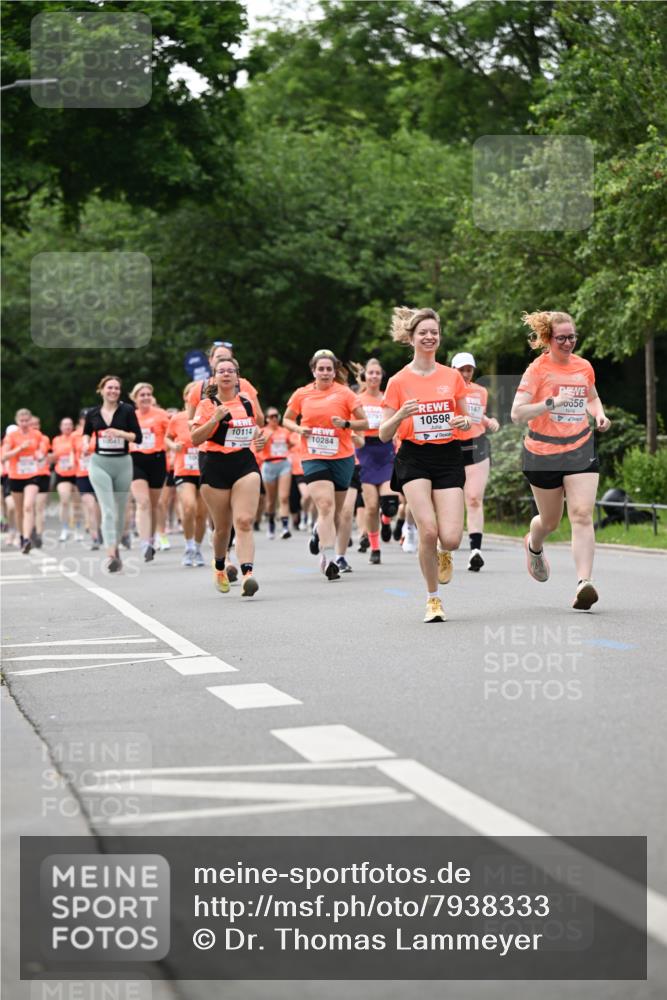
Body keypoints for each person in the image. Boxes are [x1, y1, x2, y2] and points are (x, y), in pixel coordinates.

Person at [511, 310, 611, 610]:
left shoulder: (583, 366)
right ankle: (534, 543)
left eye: (572, 337)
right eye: (562, 338)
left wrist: (599, 414)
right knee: (551, 521)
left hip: (580, 448)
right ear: (548, 339)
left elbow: (591, 397)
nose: (568, 343)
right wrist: (551, 403)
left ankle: (584, 583)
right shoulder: (537, 370)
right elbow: (517, 413)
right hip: (542, 454)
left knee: (581, 514)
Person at [380, 307, 471, 622]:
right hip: (413, 456)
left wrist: (461, 420)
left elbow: (464, 419)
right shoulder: (398, 381)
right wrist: (400, 415)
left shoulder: (451, 376)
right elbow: (382, 433)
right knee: (428, 531)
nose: (430, 337)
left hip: (447, 455)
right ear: (411, 337)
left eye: (434, 332)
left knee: (451, 538)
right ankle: (433, 600)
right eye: (423, 332)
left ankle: (446, 555)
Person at [283, 349, 368, 581]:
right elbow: (287, 419)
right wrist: (300, 429)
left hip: (342, 457)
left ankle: (317, 532)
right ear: (313, 371)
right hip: (313, 455)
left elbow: (365, 421)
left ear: (334, 371)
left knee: (336, 514)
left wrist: (346, 423)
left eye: (329, 369)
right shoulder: (302, 394)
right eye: (320, 368)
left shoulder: (345, 393)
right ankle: (329, 559)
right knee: (326, 505)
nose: (325, 372)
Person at [191, 359, 263, 596]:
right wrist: (214, 418)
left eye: (230, 371)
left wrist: (258, 437)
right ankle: (220, 566)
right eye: (221, 371)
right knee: (222, 527)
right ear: (214, 377)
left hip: (244, 462)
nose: (226, 374)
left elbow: (251, 429)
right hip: (215, 465)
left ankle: (248, 575)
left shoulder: (246, 402)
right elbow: (195, 439)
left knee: (243, 521)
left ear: (237, 377)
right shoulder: (206, 404)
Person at [83, 375, 142, 573]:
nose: (113, 391)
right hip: (99, 463)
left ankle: (115, 546)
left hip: (123, 463)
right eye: (110, 388)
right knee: (107, 509)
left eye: (117, 388)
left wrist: (120, 433)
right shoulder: (93, 413)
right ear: (101, 390)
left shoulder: (127, 410)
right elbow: (86, 433)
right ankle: (110, 554)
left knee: (120, 509)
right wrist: (84, 445)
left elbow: (137, 437)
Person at [450, 352, 500, 572]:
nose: (466, 373)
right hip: (452, 448)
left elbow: (478, 415)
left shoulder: (481, 391)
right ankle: (447, 548)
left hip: (478, 445)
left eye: (469, 369)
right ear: (453, 370)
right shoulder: (446, 391)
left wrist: (490, 421)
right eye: (461, 369)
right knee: (452, 501)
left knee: (474, 498)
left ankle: (475, 551)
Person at [350, 359, 398, 565]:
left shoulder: (388, 398)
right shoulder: (357, 399)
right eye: (370, 373)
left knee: (390, 504)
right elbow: (352, 424)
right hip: (365, 450)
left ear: (382, 376)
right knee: (370, 507)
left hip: (385, 448)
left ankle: (386, 520)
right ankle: (375, 547)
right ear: (365, 376)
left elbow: (396, 421)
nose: (374, 376)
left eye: (377, 373)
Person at [165, 385, 207, 567]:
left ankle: (197, 549)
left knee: (201, 514)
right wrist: (173, 446)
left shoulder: (209, 415)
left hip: (206, 469)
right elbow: (167, 437)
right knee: (189, 508)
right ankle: (189, 546)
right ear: (186, 398)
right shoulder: (177, 419)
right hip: (184, 470)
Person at [128, 383, 170, 562]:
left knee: (153, 505)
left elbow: (172, 434)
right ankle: (144, 542)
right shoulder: (129, 416)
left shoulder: (161, 415)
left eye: (148, 394)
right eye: (141, 395)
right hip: (136, 460)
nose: (145, 397)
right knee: (143, 502)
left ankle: (151, 540)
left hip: (157, 460)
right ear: (135, 398)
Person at [1, 409, 46, 554]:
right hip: (15, 476)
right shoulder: (11, 436)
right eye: (22, 421)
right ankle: (22, 536)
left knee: (28, 506)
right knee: (19, 511)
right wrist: (20, 448)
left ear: (30, 421)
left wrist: (40, 454)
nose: (25, 423)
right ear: (17, 421)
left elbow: (41, 450)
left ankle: (27, 539)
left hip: (32, 475)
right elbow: (4, 456)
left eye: (27, 420)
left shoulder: (36, 434)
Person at [256, 408, 293, 539]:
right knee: (271, 500)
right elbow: (257, 447)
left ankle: (284, 528)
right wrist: (266, 438)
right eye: (271, 416)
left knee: (283, 497)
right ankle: (271, 524)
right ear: (266, 418)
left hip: (283, 464)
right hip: (268, 465)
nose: (275, 418)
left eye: (276, 416)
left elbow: (292, 443)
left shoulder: (284, 431)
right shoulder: (263, 431)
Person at [72, 409, 101, 550]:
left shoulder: (99, 432)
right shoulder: (75, 436)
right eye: (84, 418)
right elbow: (72, 452)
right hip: (82, 474)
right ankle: (95, 536)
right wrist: (73, 461)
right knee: (90, 505)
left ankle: (100, 529)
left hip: (99, 472)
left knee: (99, 506)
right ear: (80, 420)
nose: (87, 421)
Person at [50, 417, 78, 543]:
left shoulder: (77, 437)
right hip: (62, 473)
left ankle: (76, 529)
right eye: (65, 424)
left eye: (69, 424)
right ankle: (64, 529)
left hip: (77, 473)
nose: (67, 427)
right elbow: (54, 457)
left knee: (76, 503)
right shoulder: (56, 440)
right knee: (65, 500)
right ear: (61, 427)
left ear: (73, 426)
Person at [29, 415, 51, 548]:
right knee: (29, 506)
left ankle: (38, 534)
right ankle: (30, 529)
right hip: (29, 476)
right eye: (32, 424)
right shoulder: (23, 440)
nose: (35, 426)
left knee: (39, 506)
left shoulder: (44, 439)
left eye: (37, 424)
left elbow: (44, 454)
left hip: (43, 474)